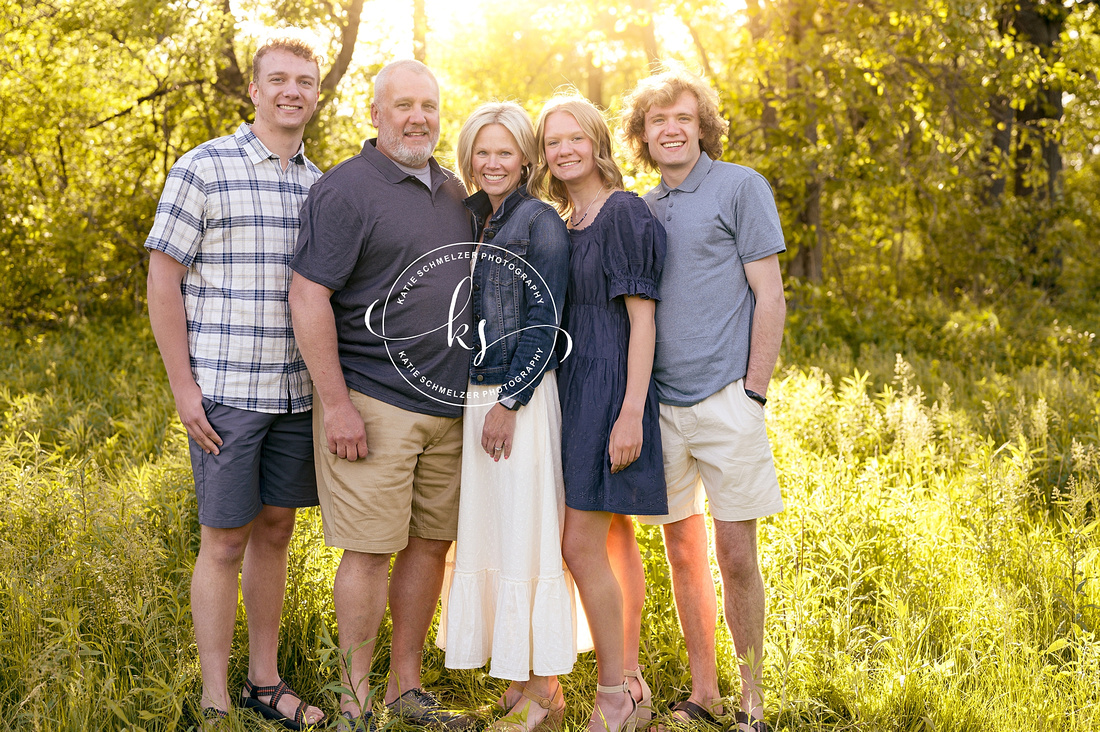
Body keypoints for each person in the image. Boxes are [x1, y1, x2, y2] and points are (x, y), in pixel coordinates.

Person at [145, 32, 326, 728]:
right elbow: (164, 279)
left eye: (303, 81)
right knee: (223, 539)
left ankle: (264, 681)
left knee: (276, 530)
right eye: (277, 79)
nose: (291, 91)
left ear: (315, 93)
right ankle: (216, 699)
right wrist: (184, 389)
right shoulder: (205, 168)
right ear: (253, 89)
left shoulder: (320, 186)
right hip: (225, 392)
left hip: (293, 394)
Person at [288, 59, 473, 732]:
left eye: (428, 103)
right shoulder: (348, 190)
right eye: (403, 105)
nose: (417, 116)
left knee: (430, 545)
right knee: (369, 550)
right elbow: (309, 296)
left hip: (449, 409)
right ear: (375, 113)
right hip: (372, 401)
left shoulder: (456, 191)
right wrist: (335, 403)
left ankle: (404, 688)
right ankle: (353, 698)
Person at [621, 66, 787, 732]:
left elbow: (770, 295)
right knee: (683, 553)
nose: (670, 129)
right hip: (663, 405)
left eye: (683, 118)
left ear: (702, 126)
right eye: (658, 120)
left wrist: (753, 393)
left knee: (737, 554)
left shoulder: (741, 187)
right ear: (642, 133)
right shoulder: (644, 207)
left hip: (727, 400)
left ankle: (753, 704)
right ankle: (704, 693)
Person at [436, 101, 574, 731]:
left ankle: (545, 689)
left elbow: (545, 323)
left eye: (504, 152)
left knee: (528, 529)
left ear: (525, 158)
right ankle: (516, 680)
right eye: (482, 152)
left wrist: (510, 403)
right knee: (493, 530)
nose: (492, 163)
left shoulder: (539, 220)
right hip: (477, 395)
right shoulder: (477, 219)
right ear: (471, 158)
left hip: (520, 395)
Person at [531, 94, 667, 732]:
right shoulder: (564, 218)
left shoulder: (623, 213)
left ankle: (616, 694)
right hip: (563, 386)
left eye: (574, 138)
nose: (563, 150)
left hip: (608, 390)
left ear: (597, 141)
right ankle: (613, 683)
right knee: (601, 539)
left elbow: (643, 322)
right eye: (552, 141)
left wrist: (631, 411)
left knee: (579, 543)